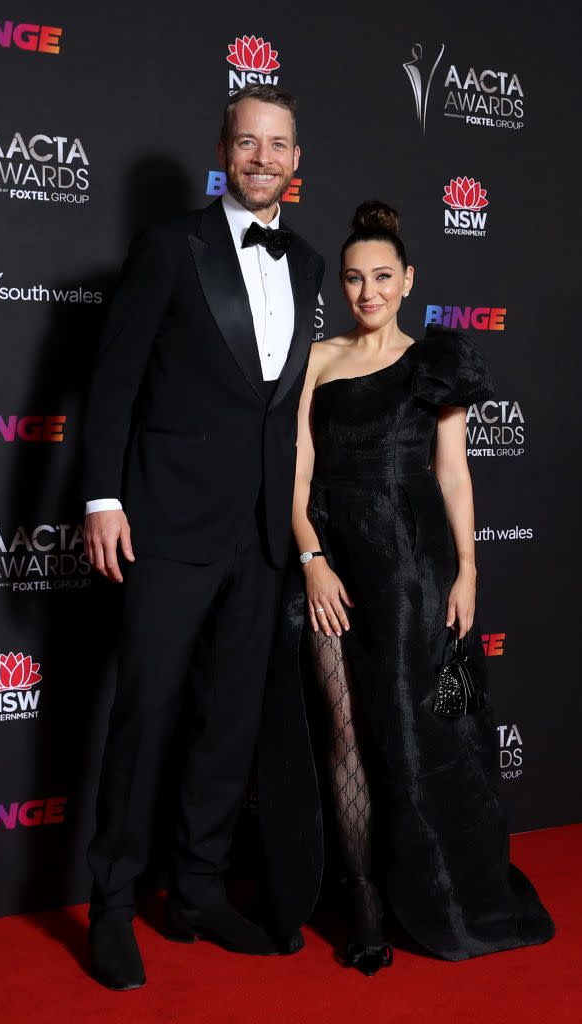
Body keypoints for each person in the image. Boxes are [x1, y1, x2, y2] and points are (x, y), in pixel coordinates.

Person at [262, 200, 554, 975]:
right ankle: (360, 904)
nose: (367, 292)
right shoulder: (316, 361)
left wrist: (467, 568)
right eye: (354, 279)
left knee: (422, 725)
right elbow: (292, 478)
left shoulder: (437, 359)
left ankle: (432, 884)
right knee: (342, 728)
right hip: (332, 563)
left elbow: (452, 472)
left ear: (407, 280)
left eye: (381, 277)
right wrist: (312, 559)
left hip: (412, 567)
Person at [81, 84, 325, 991]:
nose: (263, 158)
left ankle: (197, 890)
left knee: (226, 725)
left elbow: (282, 408)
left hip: (260, 534)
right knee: (144, 717)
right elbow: (111, 386)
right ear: (223, 149)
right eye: (248, 142)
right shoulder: (168, 247)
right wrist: (103, 499)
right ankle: (110, 908)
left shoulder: (305, 265)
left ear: (298, 162)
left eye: (280, 145)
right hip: (166, 524)